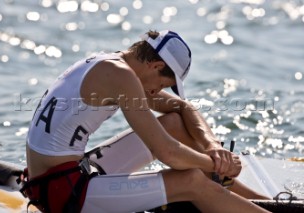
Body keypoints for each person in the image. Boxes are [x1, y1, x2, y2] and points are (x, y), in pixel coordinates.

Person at [23, 30, 270, 213]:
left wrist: (213, 147)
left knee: (173, 123)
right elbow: (167, 153)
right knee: (191, 180)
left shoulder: (110, 63)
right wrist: (215, 164)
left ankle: (260, 202)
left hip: (60, 175)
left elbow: (181, 107)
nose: (156, 92)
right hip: (61, 193)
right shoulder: (122, 77)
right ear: (155, 65)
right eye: (162, 85)